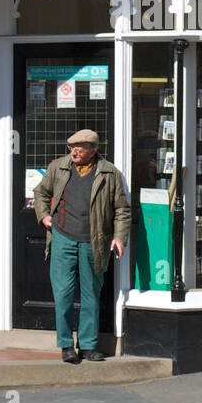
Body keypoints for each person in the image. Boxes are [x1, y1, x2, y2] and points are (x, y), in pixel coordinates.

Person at [31, 129, 130, 363]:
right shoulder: (59, 167)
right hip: (63, 237)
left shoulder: (109, 173)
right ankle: (65, 345)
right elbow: (40, 193)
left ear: (93, 150)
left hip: (94, 242)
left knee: (90, 295)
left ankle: (87, 345)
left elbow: (121, 210)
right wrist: (44, 216)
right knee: (63, 293)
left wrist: (119, 237)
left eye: (79, 148)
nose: (73, 152)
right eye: (71, 148)